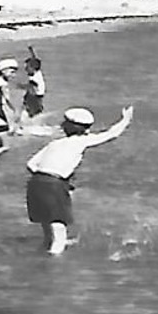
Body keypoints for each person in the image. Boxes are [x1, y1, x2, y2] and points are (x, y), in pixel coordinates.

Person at [26, 106, 134, 255]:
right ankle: (53, 269)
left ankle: (39, 261)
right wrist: (125, 120)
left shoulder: (55, 143)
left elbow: (31, 164)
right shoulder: (81, 141)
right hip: (54, 184)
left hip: (35, 183)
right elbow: (111, 134)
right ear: (86, 130)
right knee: (59, 234)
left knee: (48, 233)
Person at [23, 48, 46, 120]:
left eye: (27, 67)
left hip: (36, 97)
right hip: (38, 96)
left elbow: (31, 87)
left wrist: (18, 86)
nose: (25, 69)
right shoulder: (37, 71)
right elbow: (35, 59)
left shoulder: (35, 78)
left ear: (33, 68)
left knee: (31, 111)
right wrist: (32, 51)